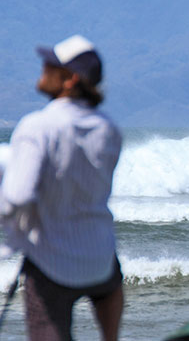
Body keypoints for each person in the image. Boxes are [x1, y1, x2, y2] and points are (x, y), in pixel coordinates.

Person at [0, 35, 124, 341]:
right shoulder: (109, 129)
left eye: (51, 65)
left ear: (70, 80)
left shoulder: (37, 126)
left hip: (51, 265)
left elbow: (17, 196)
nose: (43, 68)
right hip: (102, 261)